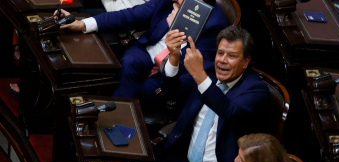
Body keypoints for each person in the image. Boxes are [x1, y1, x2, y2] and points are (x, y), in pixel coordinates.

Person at [158, 25, 272, 162]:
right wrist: (174, 57)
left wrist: (199, 75)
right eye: (220, 53)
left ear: (246, 61)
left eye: (232, 56)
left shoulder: (256, 90)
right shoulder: (209, 71)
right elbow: (171, 93)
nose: (222, 61)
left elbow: (228, 109)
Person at [54, 0, 228, 112]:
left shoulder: (215, 24)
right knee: (129, 62)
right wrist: (82, 24)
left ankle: (113, 121)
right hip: (147, 53)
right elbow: (130, 15)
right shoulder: (169, 2)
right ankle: (107, 115)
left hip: (170, 73)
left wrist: (178, 30)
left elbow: (192, 73)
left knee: (146, 91)